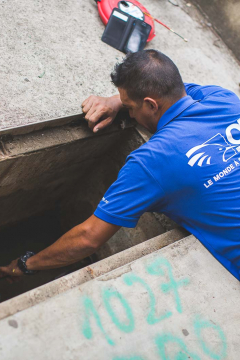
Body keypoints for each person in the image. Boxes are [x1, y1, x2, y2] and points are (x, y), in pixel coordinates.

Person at [1, 49, 240, 281]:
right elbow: (172, 89)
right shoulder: (224, 99)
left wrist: (25, 265)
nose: (131, 115)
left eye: (130, 108)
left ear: (151, 105)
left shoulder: (154, 161)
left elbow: (88, 238)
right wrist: (117, 101)